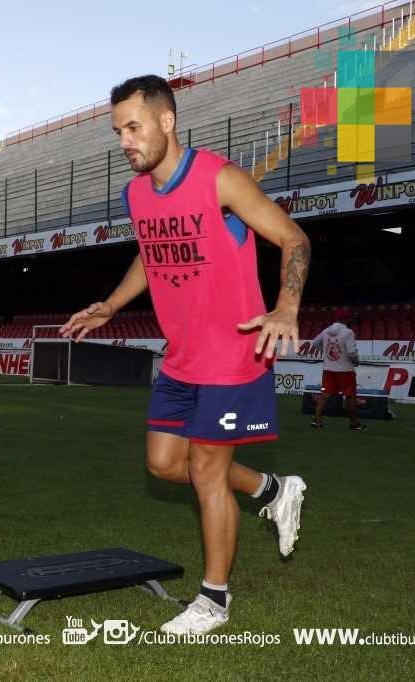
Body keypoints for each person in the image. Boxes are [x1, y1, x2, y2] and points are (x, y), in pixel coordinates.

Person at [60, 75, 311, 636]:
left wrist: (286, 307)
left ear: (166, 122)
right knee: (164, 465)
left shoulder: (220, 179)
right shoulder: (137, 194)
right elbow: (151, 257)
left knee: (205, 470)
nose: (125, 140)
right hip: (182, 357)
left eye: (133, 126)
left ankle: (213, 601)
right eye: (118, 131)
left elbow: (294, 239)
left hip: (234, 353)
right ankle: (273, 490)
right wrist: (110, 306)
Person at [310, 307, 367, 431]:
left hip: (328, 370)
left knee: (324, 394)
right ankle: (354, 424)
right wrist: (356, 361)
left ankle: (316, 420)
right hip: (346, 371)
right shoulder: (348, 332)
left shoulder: (326, 331)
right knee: (350, 396)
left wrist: (325, 353)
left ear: (336, 318)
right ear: (347, 319)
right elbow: (352, 352)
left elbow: (315, 343)